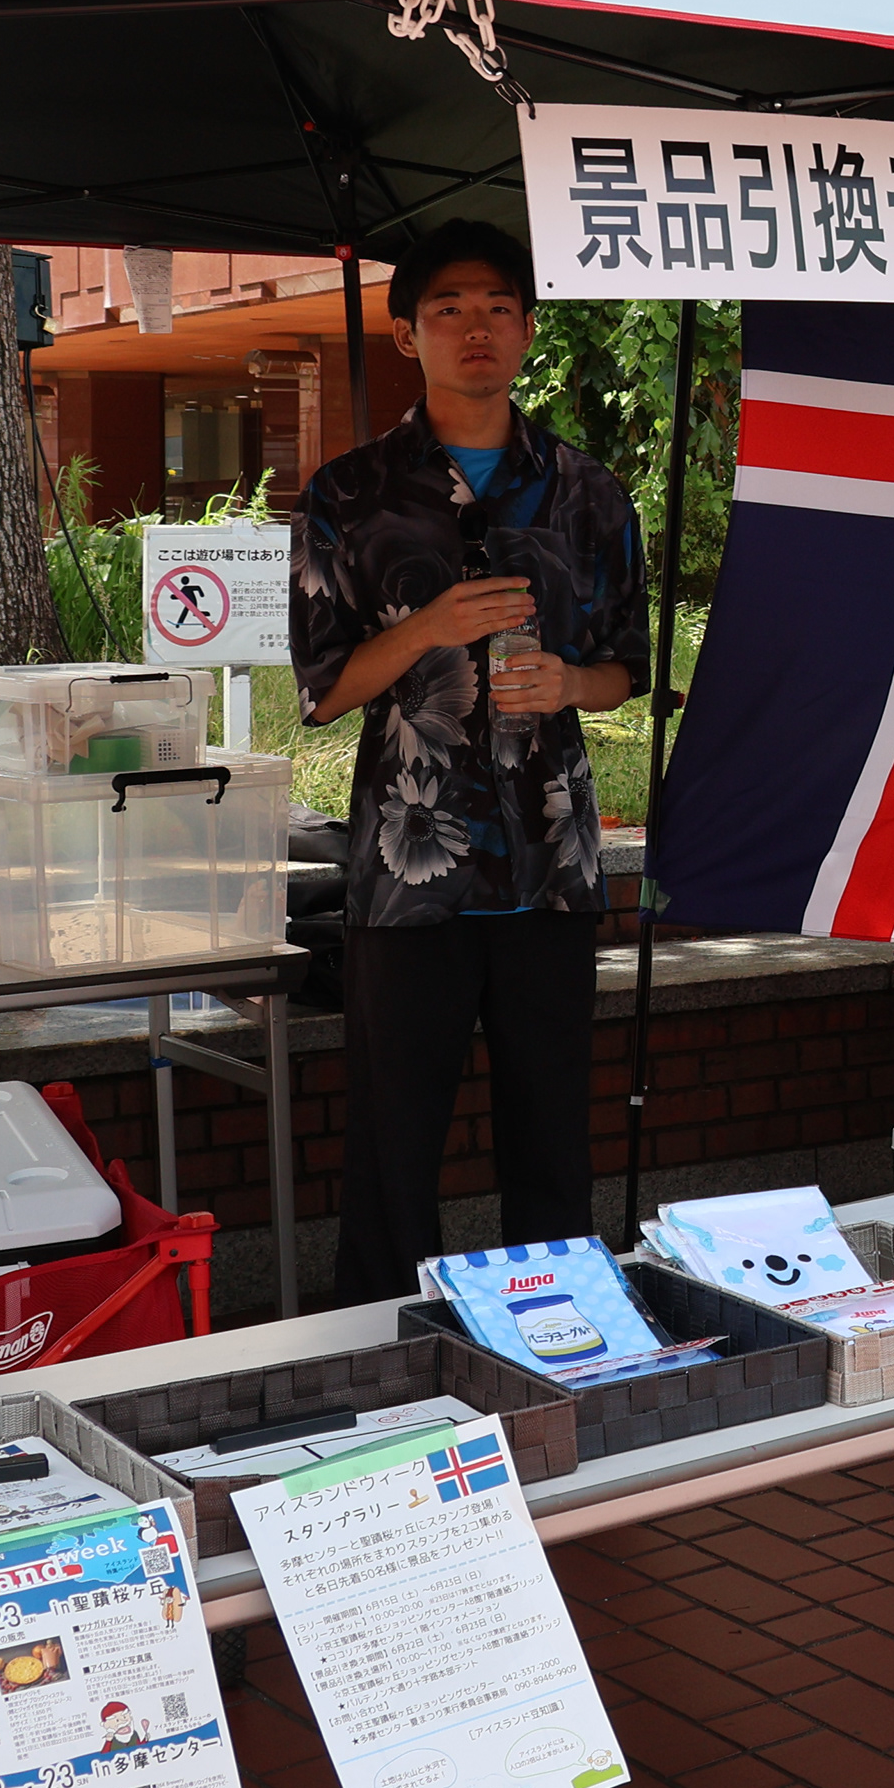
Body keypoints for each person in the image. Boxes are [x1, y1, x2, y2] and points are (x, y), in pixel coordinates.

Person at [293, 220, 648, 1302]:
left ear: (530, 327)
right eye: (448, 308)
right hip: (409, 877)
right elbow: (320, 690)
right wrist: (429, 627)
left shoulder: (588, 490)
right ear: (408, 334)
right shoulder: (349, 494)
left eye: (497, 305)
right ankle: (383, 1360)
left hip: (551, 864)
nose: (475, 327)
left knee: (552, 1143)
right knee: (395, 1149)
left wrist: (573, 686)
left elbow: (628, 663)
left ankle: (562, 1343)